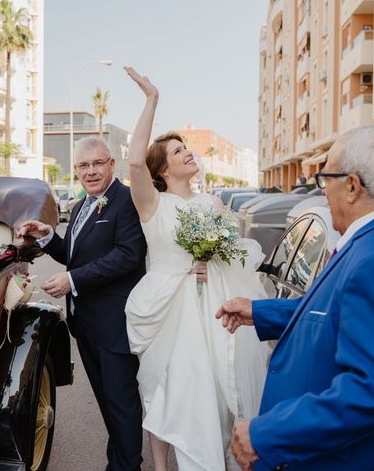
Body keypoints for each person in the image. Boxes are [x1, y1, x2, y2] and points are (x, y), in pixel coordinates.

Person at [217, 123, 374, 470]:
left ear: (352, 186)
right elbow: (337, 315)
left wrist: (268, 434)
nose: (322, 192)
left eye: (326, 180)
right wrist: (262, 312)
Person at [123, 67, 270, 470]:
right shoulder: (153, 204)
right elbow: (135, 162)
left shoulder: (213, 205)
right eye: (176, 151)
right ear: (163, 171)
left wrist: (212, 261)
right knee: (163, 393)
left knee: (210, 396)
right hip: (168, 312)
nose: (188, 151)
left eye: (186, 146)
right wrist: (152, 99)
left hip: (211, 313)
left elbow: (236, 252)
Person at [18, 137, 147, 471]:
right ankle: (117, 462)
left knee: (121, 404)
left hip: (115, 323)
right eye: (83, 166)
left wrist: (72, 280)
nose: (90, 172)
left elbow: (127, 256)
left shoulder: (126, 200)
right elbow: (74, 256)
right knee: (107, 403)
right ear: (76, 169)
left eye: (97, 164)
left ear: (112, 164)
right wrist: (47, 237)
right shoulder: (80, 206)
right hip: (86, 324)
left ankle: (127, 465)